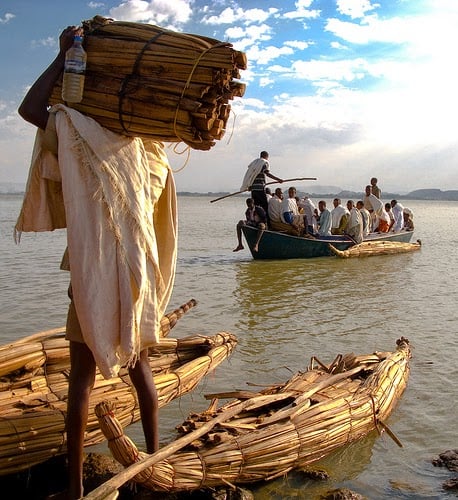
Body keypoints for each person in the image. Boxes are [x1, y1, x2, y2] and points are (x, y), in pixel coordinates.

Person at [16, 26, 177, 499]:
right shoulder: (150, 149)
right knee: (140, 365)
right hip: (137, 271)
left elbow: (29, 108)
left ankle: (74, 490)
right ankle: (152, 469)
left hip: (94, 270)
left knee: (82, 379)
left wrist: (62, 55)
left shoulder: (78, 132)